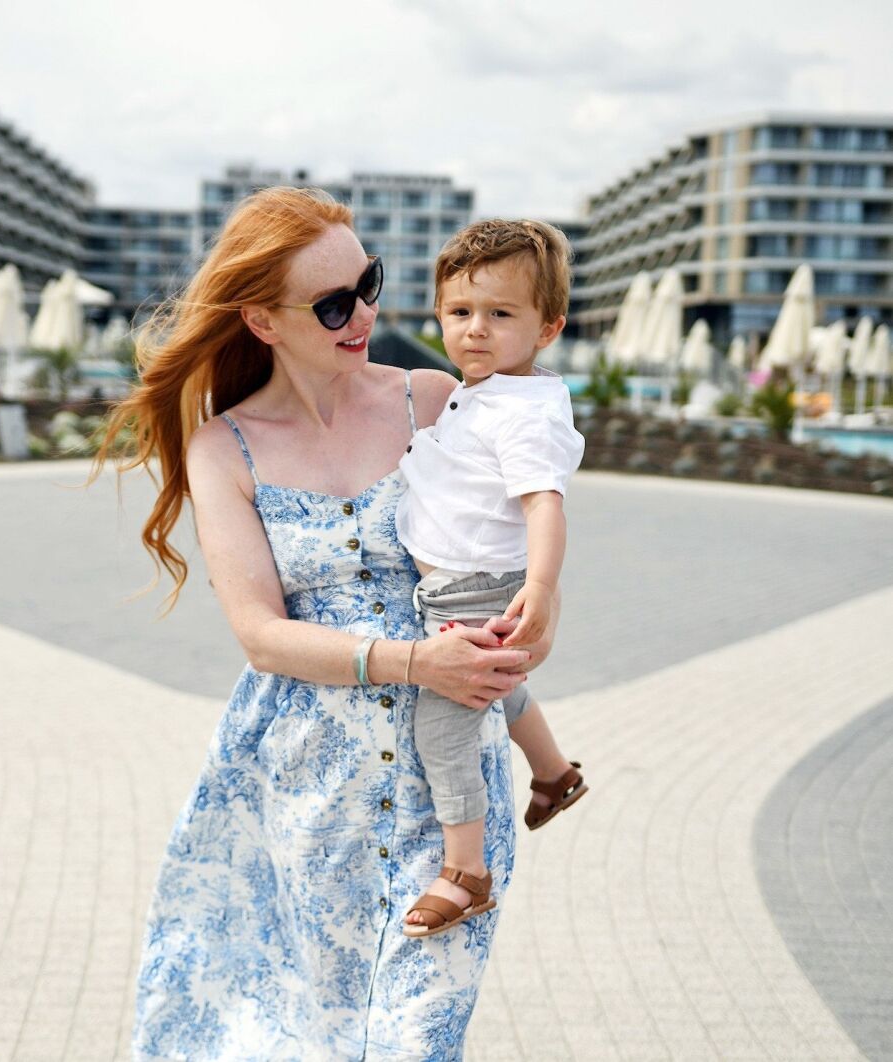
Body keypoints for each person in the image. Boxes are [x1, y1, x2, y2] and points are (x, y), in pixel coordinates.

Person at [94, 188, 559, 1060]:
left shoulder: (436, 400)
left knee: (415, 1042)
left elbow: (530, 504)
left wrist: (540, 606)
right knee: (307, 1032)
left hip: (449, 783)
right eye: (334, 304)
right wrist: (414, 660)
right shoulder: (224, 447)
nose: (365, 315)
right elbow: (260, 634)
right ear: (262, 321)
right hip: (307, 785)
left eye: (368, 284)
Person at [396, 219, 588, 938]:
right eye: (459, 311)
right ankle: (554, 773)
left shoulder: (522, 414)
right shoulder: (488, 390)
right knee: (500, 690)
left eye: (501, 314)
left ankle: (465, 872)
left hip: (477, 588)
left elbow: (545, 505)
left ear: (548, 328)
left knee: (442, 727)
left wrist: (540, 586)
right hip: (463, 584)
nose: (475, 329)